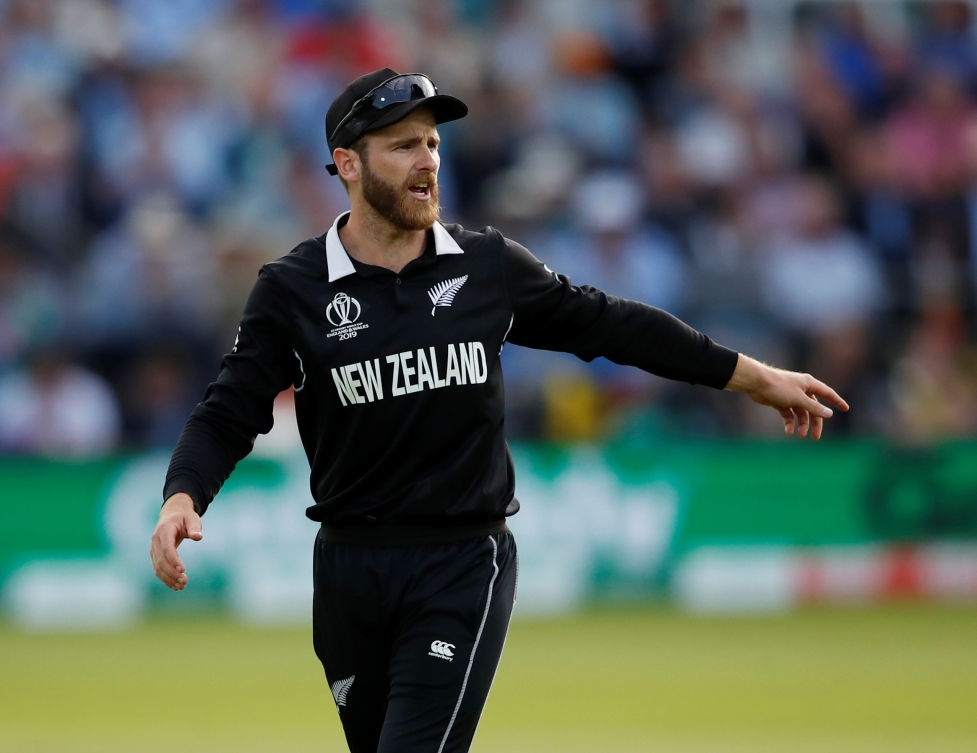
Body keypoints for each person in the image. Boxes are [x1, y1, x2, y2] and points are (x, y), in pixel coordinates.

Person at [150, 69, 848, 753]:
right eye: (403, 146)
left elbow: (611, 325)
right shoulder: (291, 290)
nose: (427, 161)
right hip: (347, 572)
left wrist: (748, 375)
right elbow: (228, 410)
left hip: (461, 559)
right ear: (348, 164)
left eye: (432, 143)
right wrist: (183, 494)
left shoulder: (484, 267)